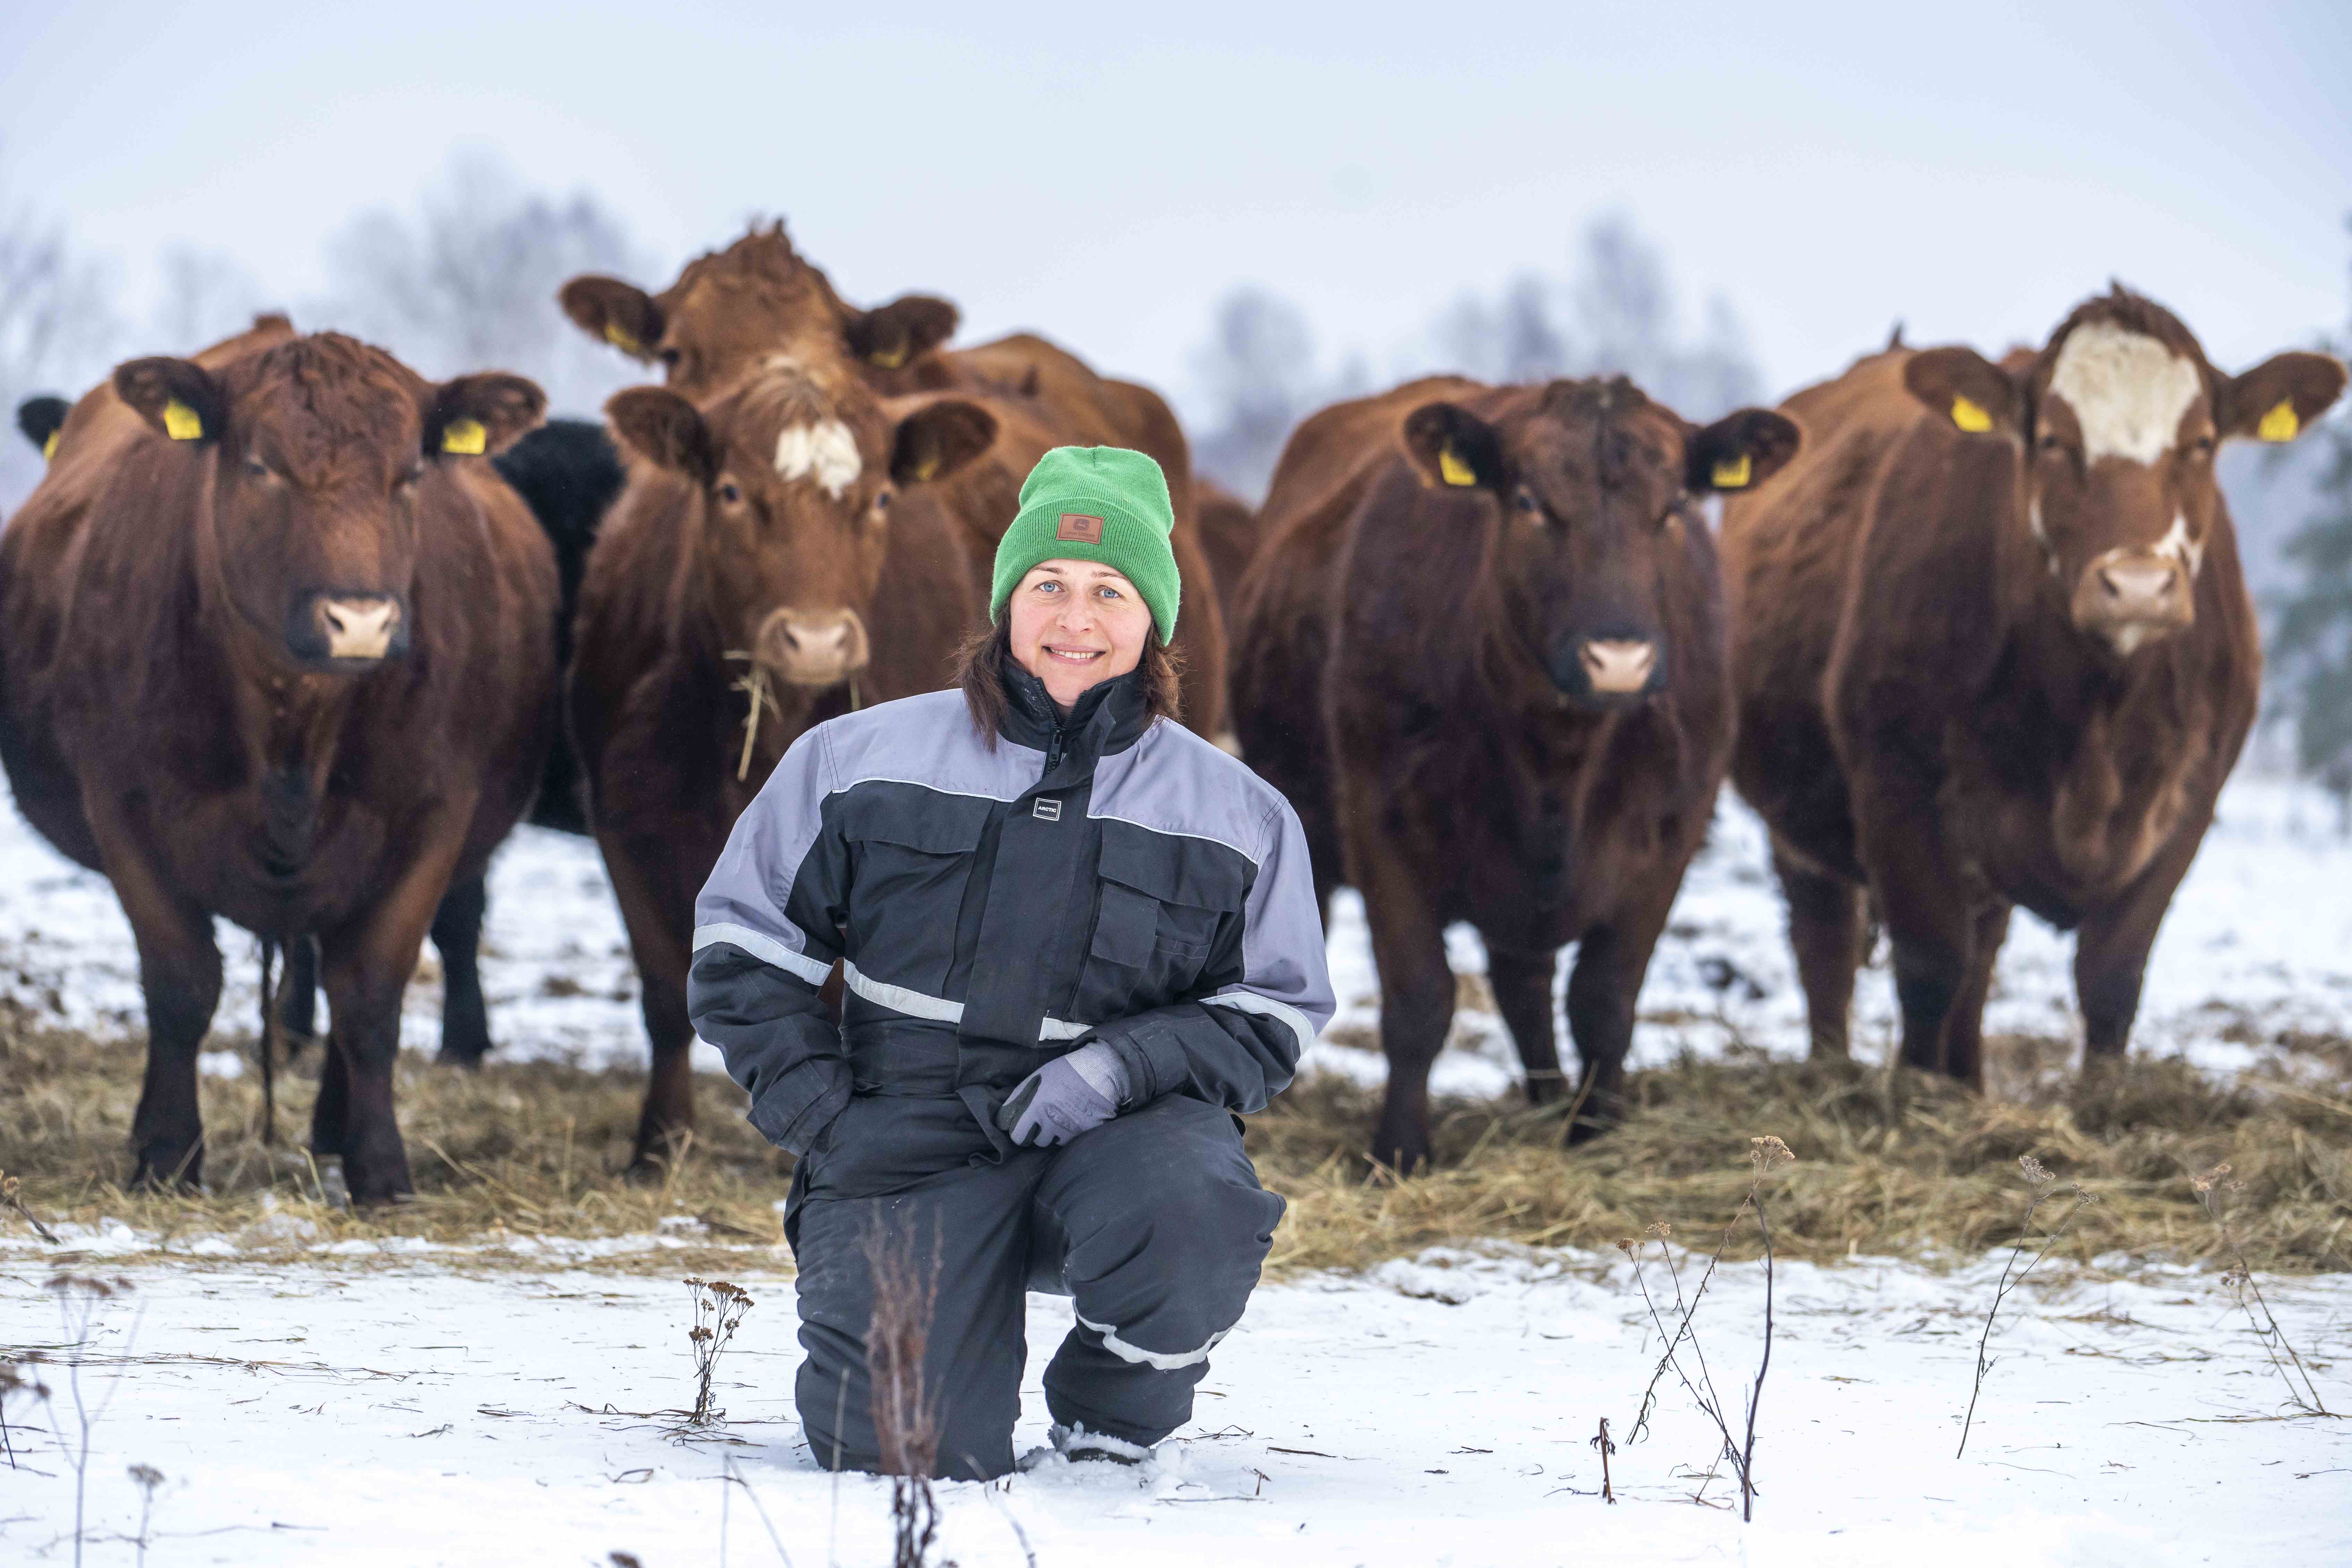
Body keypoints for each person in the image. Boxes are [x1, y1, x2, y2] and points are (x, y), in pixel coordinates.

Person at [688, 445, 1334, 1480]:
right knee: (898, 1449)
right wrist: (826, 1121)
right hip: (905, 1138)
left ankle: (1112, 1416)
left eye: (1109, 591)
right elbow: (741, 948)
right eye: (1049, 586)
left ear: (1153, 618)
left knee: (1199, 1213)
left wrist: (1117, 1070)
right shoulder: (857, 760)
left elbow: (1276, 1011)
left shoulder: (1239, 813)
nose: (1075, 620)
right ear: (1007, 601)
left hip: (1123, 1140)